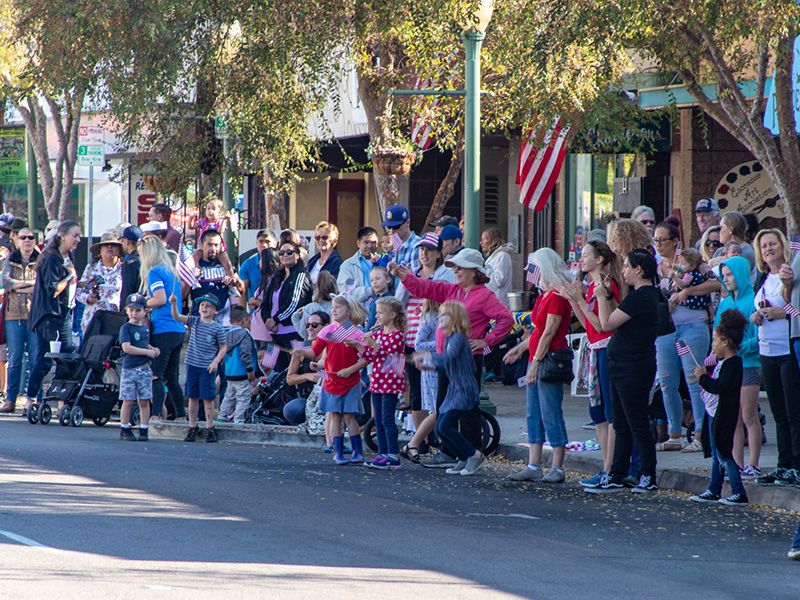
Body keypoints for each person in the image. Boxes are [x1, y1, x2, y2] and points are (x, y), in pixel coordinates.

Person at [392, 248, 514, 467]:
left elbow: (505, 319)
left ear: (474, 271)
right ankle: (451, 452)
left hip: (467, 359)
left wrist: (487, 340)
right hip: (445, 358)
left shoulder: (485, 295)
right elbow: (426, 288)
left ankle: (470, 453)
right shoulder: (452, 291)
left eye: (460, 267)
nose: (455, 271)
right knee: (443, 406)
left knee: (467, 408)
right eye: (455, 267)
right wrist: (405, 277)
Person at [586, 249, 661, 494]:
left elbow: (607, 324)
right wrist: (607, 295)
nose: (624, 271)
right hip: (621, 364)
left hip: (634, 366)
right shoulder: (637, 296)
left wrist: (600, 297)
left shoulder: (643, 296)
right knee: (621, 423)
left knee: (637, 421)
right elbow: (620, 315)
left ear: (639, 270)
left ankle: (648, 474)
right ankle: (617, 473)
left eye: (627, 266)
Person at [501, 248, 573, 483]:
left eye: (533, 268)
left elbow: (549, 333)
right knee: (534, 412)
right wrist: (521, 349)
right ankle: (533, 464)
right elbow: (538, 332)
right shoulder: (544, 296)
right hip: (538, 357)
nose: (529, 273)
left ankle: (557, 466)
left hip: (549, 359)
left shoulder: (557, 297)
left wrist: (535, 363)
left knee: (551, 411)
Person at [558, 240, 625, 487]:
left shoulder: (608, 286)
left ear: (599, 259)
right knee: (597, 413)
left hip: (608, 349)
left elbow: (600, 324)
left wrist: (581, 301)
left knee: (610, 410)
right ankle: (604, 466)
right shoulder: (591, 287)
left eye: (586, 255)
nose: (581, 258)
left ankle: (611, 468)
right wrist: (574, 300)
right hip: (595, 348)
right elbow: (587, 323)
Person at [653, 218, 710, 452]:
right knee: (667, 382)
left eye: (662, 240)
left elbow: (715, 285)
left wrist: (686, 291)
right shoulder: (656, 267)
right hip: (666, 330)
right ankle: (674, 433)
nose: (658, 245)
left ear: (676, 241)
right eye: (655, 240)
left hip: (692, 327)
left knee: (693, 379)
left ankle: (698, 435)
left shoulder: (693, 261)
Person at [413, 301, 487, 476]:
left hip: (464, 389)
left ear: (454, 317)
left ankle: (474, 455)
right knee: (440, 427)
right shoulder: (448, 338)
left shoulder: (458, 336)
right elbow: (447, 365)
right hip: (455, 389)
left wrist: (426, 355)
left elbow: (448, 357)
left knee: (445, 426)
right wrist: (430, 367)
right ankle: (463, 456)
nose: (439, 317)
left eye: (443, 314)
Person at [751, 229, 800, 486]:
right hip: (766, 350)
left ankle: (797, 466)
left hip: (786, 349)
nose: (769, 249)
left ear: (782, 246)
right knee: (778, 413)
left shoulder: (790, 275)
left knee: (794, 412)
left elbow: (794, 307)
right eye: (764, 246)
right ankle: (784, 465)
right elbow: (755, 308)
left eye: (772, 244)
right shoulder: (762, 277)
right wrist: (755, 316)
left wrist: (783, 312)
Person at [395, 232, 454, 433]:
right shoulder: (412, 275)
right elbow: (398, 304)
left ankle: (437, 435)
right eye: (421, 250)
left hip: (436, 339)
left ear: (439, 253)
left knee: (437, 390)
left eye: (429, 250)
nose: (425, 254)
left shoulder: (445, 275)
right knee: (417, 392)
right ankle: (422, 440)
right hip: (413, 337)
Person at [297, 295, 367, 465]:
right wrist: (302, 353)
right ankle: (338, 451)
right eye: (333, 307)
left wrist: (351, 370)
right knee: (335, 415)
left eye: (338, 307)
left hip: (351, 381)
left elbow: (366, 356)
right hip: (331, 380)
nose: (334, 310)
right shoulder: (327, 331)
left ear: (349, 311)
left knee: (350, 416)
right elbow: (314, 351)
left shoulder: (356, 332)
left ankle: (358, 451)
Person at [690, 309, 748, 506]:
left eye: (715, 341)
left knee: (724, 455)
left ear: (725, 342)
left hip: (724, 414)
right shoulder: (724, 362)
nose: (713, 345)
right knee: (717, 454)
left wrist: (702, 377)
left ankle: (739, 491)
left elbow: (719, 387)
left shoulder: (733, 364)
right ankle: (714, 489)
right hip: (715, 413)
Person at [711, 256, 762, 477]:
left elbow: (760, 338)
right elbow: (717, 333)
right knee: (733, 416)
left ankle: (754, 464)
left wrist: (739, 346)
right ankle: (737, 463)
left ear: (740, 274)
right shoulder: (724, 304)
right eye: (723, 276)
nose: (726, 279)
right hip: (730, 365)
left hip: (749, 364)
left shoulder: (754, 299)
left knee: (748, 414)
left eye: (730, 274)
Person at [26, 220, 81, 407]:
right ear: (62, 236)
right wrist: (69, 276)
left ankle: (61, 398)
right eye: (75, 235)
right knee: (45, 359)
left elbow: (68, 286)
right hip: (49, 316)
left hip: (64, 314)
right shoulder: (51, 257)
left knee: (67, 356)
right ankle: (30, 398)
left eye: (79, 236)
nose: (78, 240)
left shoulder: (67, 257)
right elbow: (53, 289)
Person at [348, 297, 406, 470]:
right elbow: (370, 357)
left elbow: (390, 357)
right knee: (378, 420)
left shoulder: (397, 336)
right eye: (377, 313)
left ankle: (393, 455)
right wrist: (358, 345)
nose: (377, 316)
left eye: (381, 313)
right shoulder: (380, 333)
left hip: (390, 382)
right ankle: (382, 453)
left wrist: (373, 343)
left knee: (388, 419)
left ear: (393, 314)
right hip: (378, 381)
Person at [139, 236, 186, 422]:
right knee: (172, 377)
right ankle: (181, 415)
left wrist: (143, 302)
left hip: (163, 329)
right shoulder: (171, 272)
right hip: (177, 329)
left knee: (156, 375)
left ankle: (156, 414)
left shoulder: (155, 272)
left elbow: (160, 299)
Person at [170, 293, 227, 443]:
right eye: (202, 305)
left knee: (208, 397)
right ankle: (192, 426)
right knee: (192, 396)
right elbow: (177, 317)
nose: (204, 308)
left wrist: (215, 362)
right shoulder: (194, 321)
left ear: (215, 310)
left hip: (207, 366)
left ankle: (209, 427)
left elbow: (223, 347)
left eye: (208, 306)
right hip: (192, 364)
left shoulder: (217, 328)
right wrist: (174, 304)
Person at [0, 226, 39, 414]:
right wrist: (27, 286)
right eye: (23, 237)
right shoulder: (10, 260)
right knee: (15, 359)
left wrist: (19, 287)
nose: (27, 240)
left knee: (34, 358)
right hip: (13, 315)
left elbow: (41, 285)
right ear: (16, 240)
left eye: (31, 237)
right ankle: (10, 399)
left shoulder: (40, 260)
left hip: (34, 315)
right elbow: (6, 283)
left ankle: (31, 398)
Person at [260, 240, 313, 369]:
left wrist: (276, 320)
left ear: (297, 255)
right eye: (282, 252)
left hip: (294, 333)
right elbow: (266, 302)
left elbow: (294, 303)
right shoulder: (276, 277)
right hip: (275, 333)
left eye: (289, 252)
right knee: (272, 369)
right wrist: (267, 319)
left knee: (296, 371)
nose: (285, 255)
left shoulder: (300, 275)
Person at [400, 299, 439, 463]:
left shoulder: (442, 316)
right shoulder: (430, 318)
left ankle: (424, 441)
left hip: (441, 364)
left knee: (440, 407)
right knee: (439, 407)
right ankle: (416, 442)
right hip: (433, 368)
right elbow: (418, 344)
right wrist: (442, 343)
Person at [118, 293, 158, 441]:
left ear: (145, 311)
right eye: (131, 310)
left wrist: (152, 348)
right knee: (128, 400)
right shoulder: (126, 328)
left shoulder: (144, 328)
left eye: (138, 310)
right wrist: (148, 352)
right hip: (130, 369)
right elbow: (127, 348)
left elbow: (143, 343)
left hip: (144, 368)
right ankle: (124, 427)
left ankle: (144, 428)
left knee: (144, 400)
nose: (134, 313)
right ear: (127, 311)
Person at [282, 311, 330, 428]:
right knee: (291, 409)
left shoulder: (332, 346)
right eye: (307, 325)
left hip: (329, 395)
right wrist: (307, 376)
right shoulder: (301, 348)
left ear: (326, 326)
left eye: (314, 325)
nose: (310, 328)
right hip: (309, 397)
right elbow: (289, 379)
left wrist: (321, 375)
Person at [76, 232, 123, 333]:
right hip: (92, 319)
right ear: (100, 250)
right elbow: (79, 291)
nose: (109, 247)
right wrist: (88, 298)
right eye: (106, 245)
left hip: (116, 320)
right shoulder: (91, 268)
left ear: (119, 250)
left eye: (113, 245)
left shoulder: (124, 269)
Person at [190, 229, 241, 320]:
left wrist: (234, 281)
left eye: (216, 245)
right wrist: (191, 276)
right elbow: (183, 294)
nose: (213, 248)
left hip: (222, 316)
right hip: (199, 316)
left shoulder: (225, 264)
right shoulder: (193, 264)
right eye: (209, 245)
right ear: (201, 246)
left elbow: (241, 289)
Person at [218, 305, 256, 423]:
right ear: (244, 320)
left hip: (229, 372)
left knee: (229, 396)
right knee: (243, 398)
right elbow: (245, 353)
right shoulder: (244, 334)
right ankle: (239, 420)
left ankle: (222, 417)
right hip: (242, 372)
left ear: (230, 321)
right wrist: (250, 370)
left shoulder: (225, 334)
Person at [248, 248, 280, 349]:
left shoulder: (274, 280)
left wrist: (256, 302)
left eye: (261, 259)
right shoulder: (265, 280)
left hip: (265, 329)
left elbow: (272, 304)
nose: (259, 262)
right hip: (257, 328)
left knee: (266, 361)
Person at [337, 226, 380, 302]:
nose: (370, 246)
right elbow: (346, 293)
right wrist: (370, 291)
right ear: (358, 243)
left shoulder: (383, 262)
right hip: (358, 311)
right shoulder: (348, 265)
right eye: (366, 242)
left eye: (373, 242)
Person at [292, 271, 336, 339]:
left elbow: (304, 333)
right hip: (332, 345)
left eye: (314, 325)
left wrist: (295, 315)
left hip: (314, 347)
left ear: (316, 289)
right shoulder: (339, 307)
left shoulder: (309, 308)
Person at [239, 229, 277, 305]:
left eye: (267, 241)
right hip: (256, 313)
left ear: (275, 244)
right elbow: (242, 291)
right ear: (256, 244)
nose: (264, 245)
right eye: (261, 241)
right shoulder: (247, 264)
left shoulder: (282, 262)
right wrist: (242, 313)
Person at [381, 204, 421, 273]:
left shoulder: (417, 245)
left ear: (407, 223)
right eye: (389, 227)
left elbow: (416, 279)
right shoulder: (394, 243)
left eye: (396, 226)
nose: (392, 231)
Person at [481, 228, 513, 307]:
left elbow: (499, 280)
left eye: (483, 240)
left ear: (493, 241)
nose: (481, 243)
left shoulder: (503, 256)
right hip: (491, 301)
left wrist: (485, 270)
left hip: (499, 301)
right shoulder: (494, 256)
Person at [119, 225, 144, 302]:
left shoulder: (130, 263)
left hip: (133, 305)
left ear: (127, 241)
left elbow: (127, 289)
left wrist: (123, 310)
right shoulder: (146, 259)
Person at [364, 266, 393, 330]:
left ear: (388, 279)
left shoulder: (389, 300)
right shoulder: (373, 299)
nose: (374, 282)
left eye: (377, 279)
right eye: (372, 280)